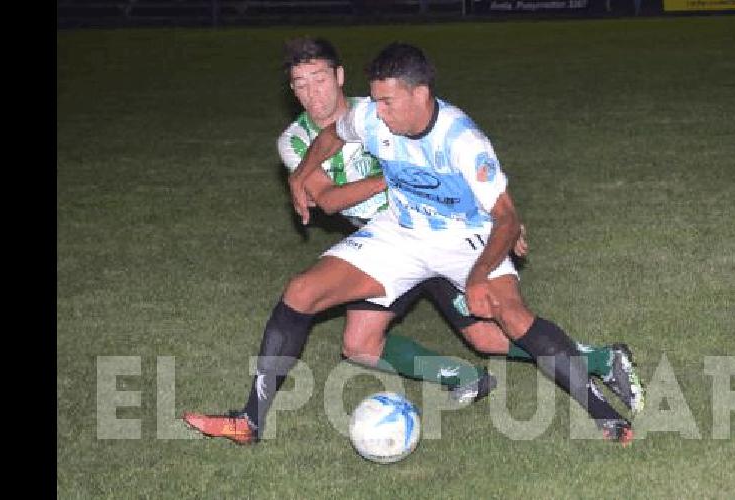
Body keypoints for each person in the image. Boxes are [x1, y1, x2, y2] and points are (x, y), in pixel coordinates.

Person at [184, 40, 644, 446]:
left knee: (504, 321)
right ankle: (249, 421)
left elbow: (506, 218)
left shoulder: (463, 140)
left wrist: (480, 275)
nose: (377, 113)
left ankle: (604, 412)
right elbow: (332, 134)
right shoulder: (370, 116)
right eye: (376, 103)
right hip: (401, 232)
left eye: (387, 103)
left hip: (465, 238)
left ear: (419, 94)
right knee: (302, 292)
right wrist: (302, 173)